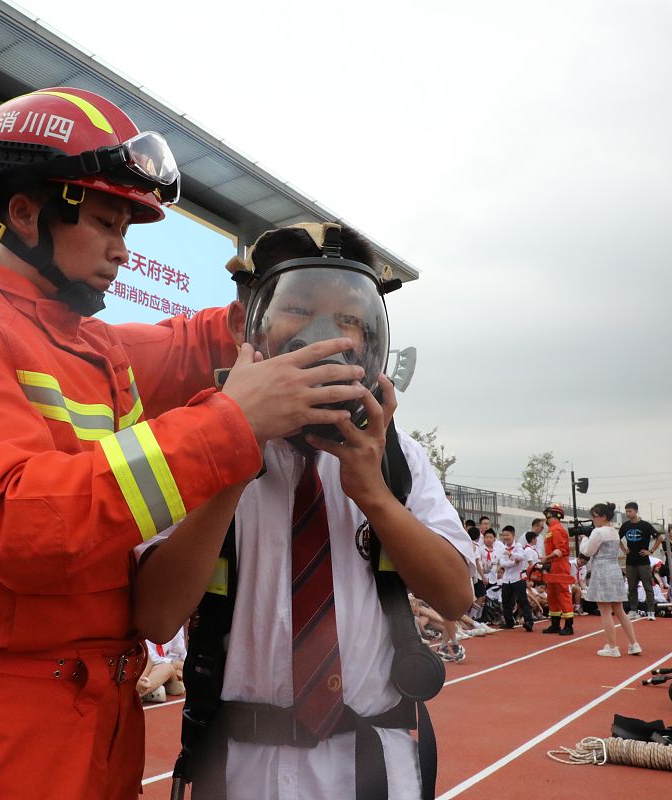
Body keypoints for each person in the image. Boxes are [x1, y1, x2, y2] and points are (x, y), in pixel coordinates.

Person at [0, 89, 369, 799]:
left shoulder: (95, 346)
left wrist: (298, 301)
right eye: (106, 221)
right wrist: (232, 425)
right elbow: (19, 524)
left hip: (101, 709)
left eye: (128, 228)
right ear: (25, 211)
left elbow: (197, 339)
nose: (121, 251)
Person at [131, 223, 474, 799]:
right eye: (297, 309)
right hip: (240, 770)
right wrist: (230, 457)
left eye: (348, 319)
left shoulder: (397, 455)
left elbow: (455, 596)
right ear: (249, 324)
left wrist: (373, 494)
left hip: (372, 770)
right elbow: (156, 617)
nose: (325, 335)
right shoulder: (187, 442)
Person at [580, 503, 641, 657]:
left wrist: (584, 538)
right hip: (614, 570)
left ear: (603, 517)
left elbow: (587, 551)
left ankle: (613, 647)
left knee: (605, 610)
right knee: (620, 610)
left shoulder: (598, 532)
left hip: (602, 571)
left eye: (594, 516)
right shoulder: (614, 531)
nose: (592, 520)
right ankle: (634, 643)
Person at [619, 502, 659, 619]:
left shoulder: (645, 525)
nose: (628, 513)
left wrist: (650, 551)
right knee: (632, 587)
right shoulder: (625, 525)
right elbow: (617, 538)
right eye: (626, 511)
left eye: (630, 511)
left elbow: (659, 538)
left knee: (648, 586)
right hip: (630, 561)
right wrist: (624, 549)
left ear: (636, 511)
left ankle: (651, 611)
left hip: (643, 561)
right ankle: (633, 610)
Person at [540, 503, 576, 635]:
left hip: (560, 566)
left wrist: (546, 558)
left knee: (563, 594)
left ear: (551, 515)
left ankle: (568, 625)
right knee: (552, 595)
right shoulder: (552, 530)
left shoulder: (557, 530)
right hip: (553, 566)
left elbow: (561, 550)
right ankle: (555, 624)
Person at [499, 526, 534, 631]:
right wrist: (514, 561)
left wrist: (510, 554)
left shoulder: (518, 546)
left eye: (507, 535)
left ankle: (528, 621)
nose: (505, 537)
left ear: (513, 536)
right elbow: (502, 563)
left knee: (523, 600)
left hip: (517, 578)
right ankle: (509, 622)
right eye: (504, 535)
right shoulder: (502, 547)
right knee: (506, 601)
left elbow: (521, 557)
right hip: (506, 579)